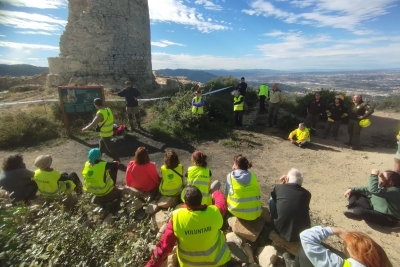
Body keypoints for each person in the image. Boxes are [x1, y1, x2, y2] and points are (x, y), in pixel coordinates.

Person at [146, 185, 231, 267]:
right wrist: (216, 193)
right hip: (215, 262)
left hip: (189, 264)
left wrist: (150, 265)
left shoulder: (177, 217)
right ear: (201, 199)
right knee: (221, 232)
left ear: (185, 202)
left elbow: (163, 246)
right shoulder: (214, 212)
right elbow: (222, 203)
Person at [282, 225, 393, 267]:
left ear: (355, 253)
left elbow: (306, 236)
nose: (344, 246)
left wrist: (336, 230)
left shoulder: (345, 265)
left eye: (346, 245)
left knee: (304, 254)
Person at [270, 168, 311, 242]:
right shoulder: (307, 194)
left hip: (279, 229)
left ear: (287, 179)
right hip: (301, 235)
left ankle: (272, 217)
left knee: (272, 199)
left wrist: (282, 184)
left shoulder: (278, 187)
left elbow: (275, 197)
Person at [226, 154, 262, 220]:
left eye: (234, 163)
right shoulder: (253, 175)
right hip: (255, 212)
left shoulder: (230, 176)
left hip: (237, 211)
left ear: (237, 166)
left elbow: (227, 193)